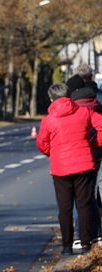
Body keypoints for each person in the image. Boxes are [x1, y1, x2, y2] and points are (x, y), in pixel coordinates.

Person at [36, 82, 102, 255]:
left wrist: (54, 152)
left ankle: (66, 246)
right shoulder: (84, 112)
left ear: (51, 98)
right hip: (84, 165)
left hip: (60, 168)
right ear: (69, 96)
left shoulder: (49, 120)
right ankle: (85, 243)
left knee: (64, 208)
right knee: (84, 205)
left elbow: (42, 143)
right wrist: (93, 144)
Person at [66, 64, 102, 245]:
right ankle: (93, 233)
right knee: (92, 193)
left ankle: (79, 237)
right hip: (95, 152)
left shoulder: (72, 104)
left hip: (74, 155)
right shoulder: (97, 100)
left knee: (77, 198)